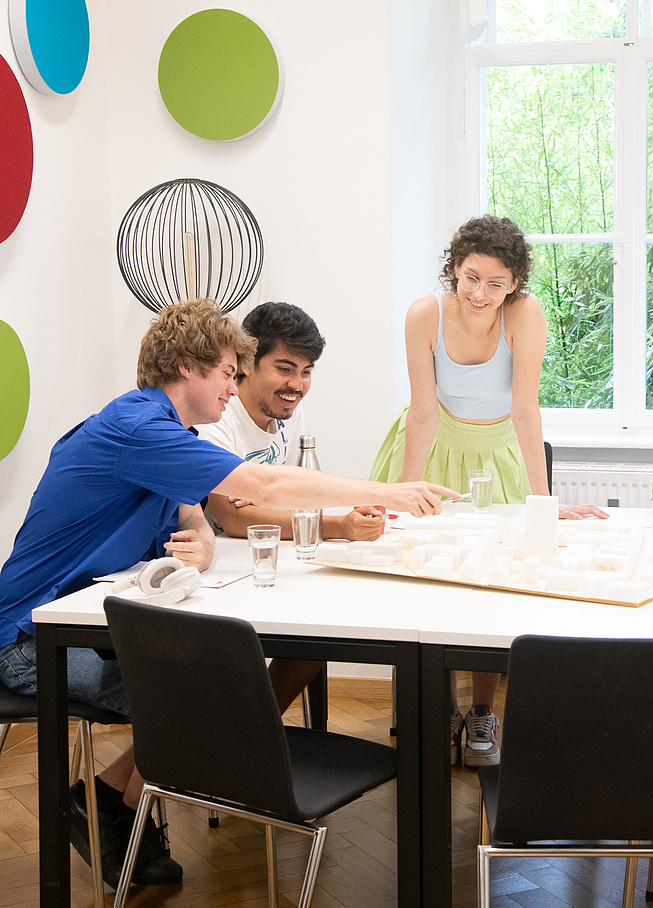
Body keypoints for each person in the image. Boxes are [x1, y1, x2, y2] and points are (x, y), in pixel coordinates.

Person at [0, 299, 456, 890]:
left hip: (92, 618)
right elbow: (258, 483)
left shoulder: (165, 429)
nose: (231, 387)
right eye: (226, 372)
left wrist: (203, 540)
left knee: (212, 680)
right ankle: (105, 801)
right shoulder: (135, 427)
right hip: (28, 638)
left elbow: (195, 512)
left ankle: (110, 802)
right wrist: (389, 493)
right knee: (217, 693)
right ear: (188, 367)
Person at [369, 215, 607, 768]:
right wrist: (406, 489)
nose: (480, 294)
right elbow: (423, 409)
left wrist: (543, 503)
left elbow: (526, 409)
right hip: (433, 444)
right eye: (471, 277)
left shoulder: (524, 316)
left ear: (514, 286)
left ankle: (482, 712)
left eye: (495, 284)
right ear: (453, 266)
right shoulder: (425, 314)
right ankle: (439, 708)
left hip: (496, 451)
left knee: (493, 587)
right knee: (430, 577)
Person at [197, 301, 383, 713]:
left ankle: (250, 730)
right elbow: (232, 518)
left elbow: (291, 492)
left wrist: (270, 503)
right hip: (221, 572)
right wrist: (339, 525)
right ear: (247, 364)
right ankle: (244, 734)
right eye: (284, 368)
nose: (296, 385)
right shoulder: (215, 421)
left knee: (322, 634)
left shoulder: (286, 412)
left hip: (267, 557)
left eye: (306, 371)